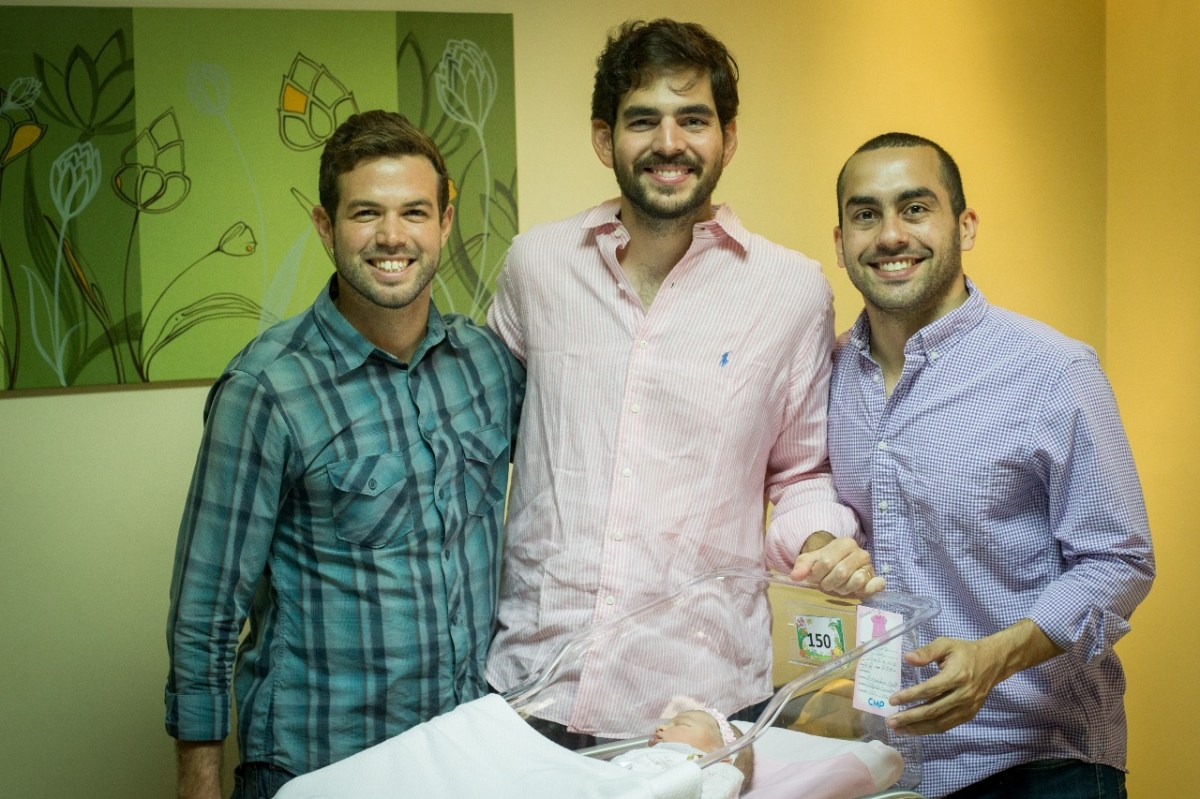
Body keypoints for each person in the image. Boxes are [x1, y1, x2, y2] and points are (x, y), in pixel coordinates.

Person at [485, 18, 882, 747]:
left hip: (701, 698)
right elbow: (482, 441)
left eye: (693, 119)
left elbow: (802, 472)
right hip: (531, 685)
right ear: (604, 138)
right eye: (643, 120)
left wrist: (823, 539)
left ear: (728, 138)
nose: (669, 142)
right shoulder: (535, 266)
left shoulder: (790, 291)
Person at [164, 110, 524, 799]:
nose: (392, 236)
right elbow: (205, 612)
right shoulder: (267, 388)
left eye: (414, 212)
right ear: (326, 227)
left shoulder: (485, 364)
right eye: (366, 213)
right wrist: (198, 781)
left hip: (467, 751)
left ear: (445, 223)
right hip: (322, 765)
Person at [827, 132, 1155, 798]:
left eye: (915, 208)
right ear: (840, 242)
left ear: (965, 226)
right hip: (883, 767)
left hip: (1038, 764)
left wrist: (995, 658)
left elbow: (1119, 560)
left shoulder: (1052, 370)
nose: (890, 235)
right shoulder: (829, 374)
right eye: (866, 215)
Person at [611, 708, 754, 798]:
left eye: (681, 724)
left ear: (720, 756)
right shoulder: (645, 753)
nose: (660, 727)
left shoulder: (717, 768)